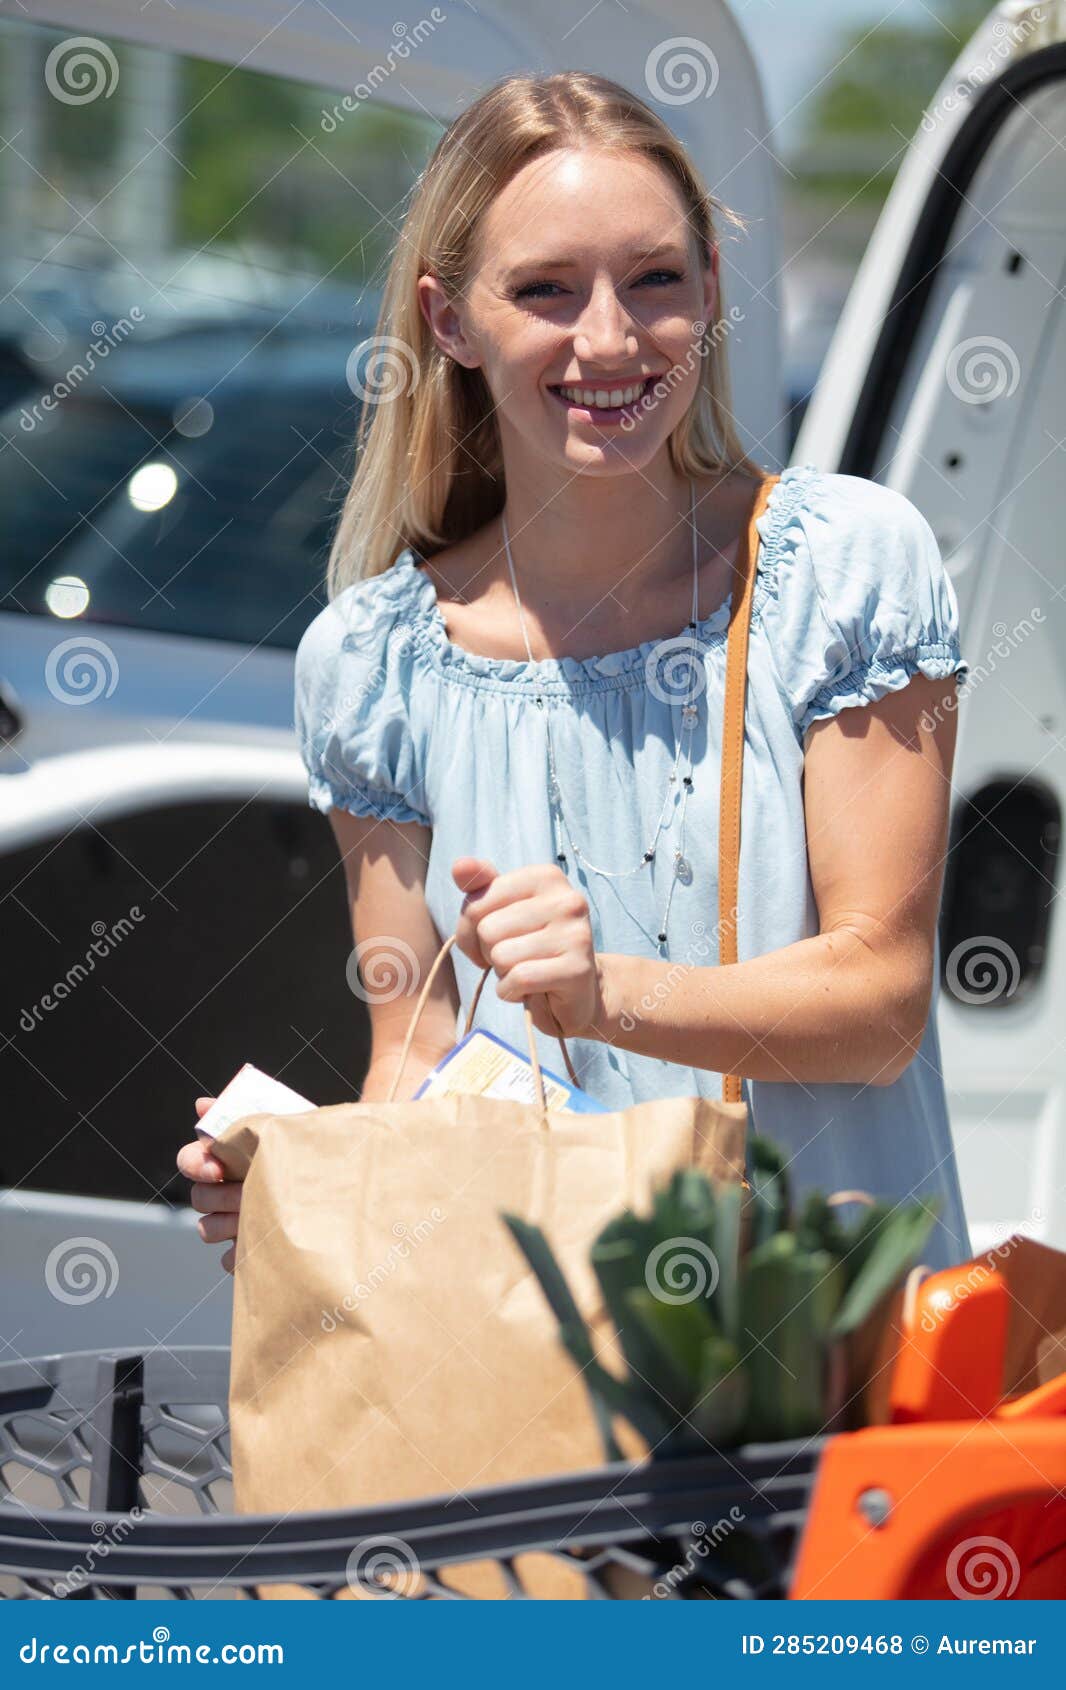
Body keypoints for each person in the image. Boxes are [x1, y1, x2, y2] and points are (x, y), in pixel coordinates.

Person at [178, 71, 971, 1275]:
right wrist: (310, 1195)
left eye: (655, 278)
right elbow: (415, 1053)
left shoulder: (841, 569)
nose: (608, 337)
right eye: (545, 290)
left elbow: (878, 1006)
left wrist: (607, 992)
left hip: (821, 1356)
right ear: (449, 322)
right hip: (537, 1375)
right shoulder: (372, 663)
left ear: (709, 286)